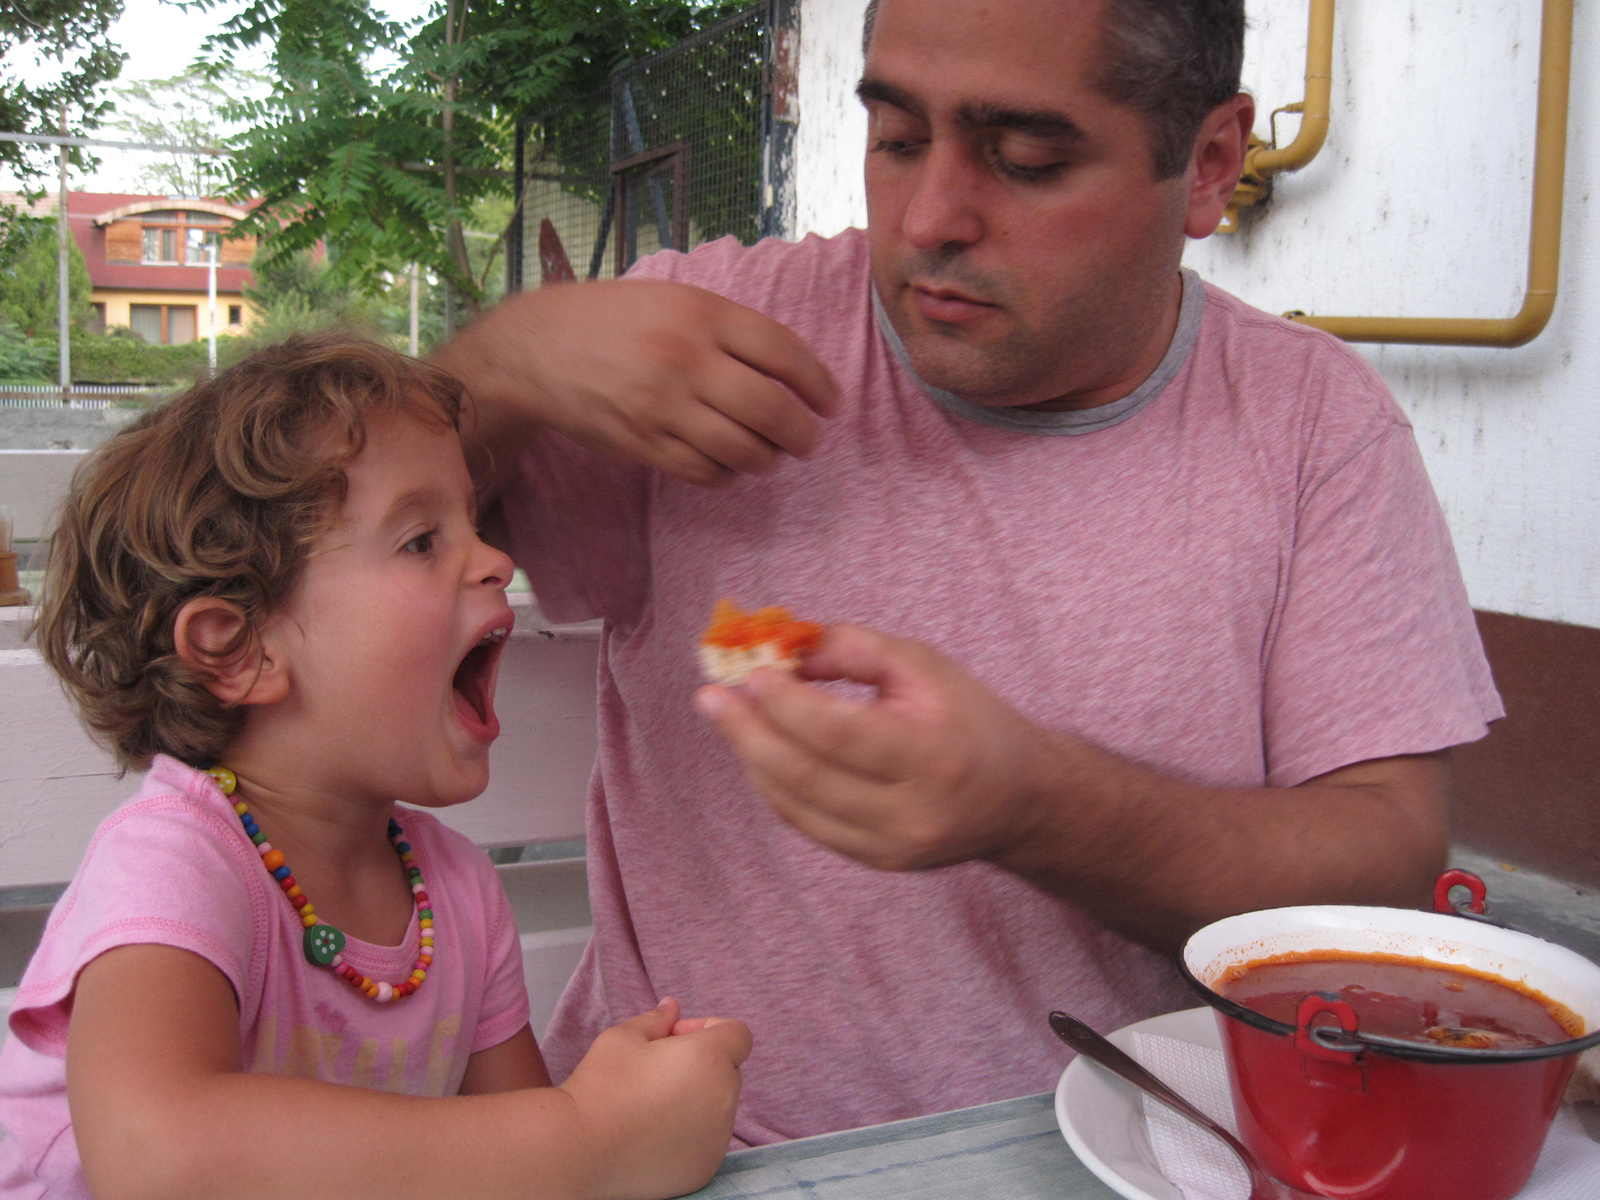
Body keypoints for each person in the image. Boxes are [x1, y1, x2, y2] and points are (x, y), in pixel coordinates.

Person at [434, 0, 1502, 1144]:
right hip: (690, 1156)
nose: (929, 218)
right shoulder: (706, 339)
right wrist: (494, 372)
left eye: (1026, 160)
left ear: (1206, 166)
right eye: (895, 139)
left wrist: (1036, 808)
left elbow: (1383, 866)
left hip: (1128, 1155)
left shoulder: (1309, 425)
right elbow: (262, 580)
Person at [0, 336, 751, 1200]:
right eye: (423, 539)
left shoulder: (457, 896)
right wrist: (589, 1135)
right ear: (239, 649)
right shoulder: (174, 865)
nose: (496, 561)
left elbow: (529, 1169)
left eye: (476, 523)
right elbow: (155, 1155)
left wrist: (623, 1125)